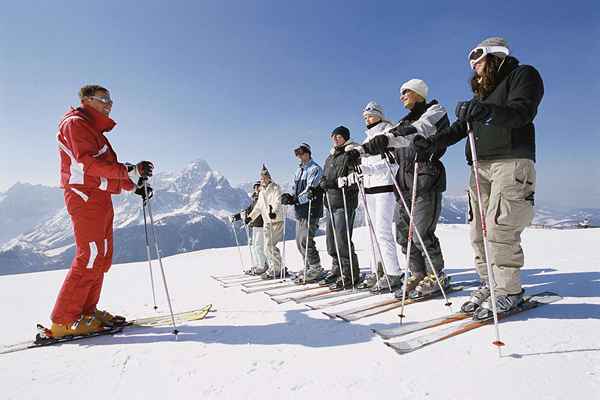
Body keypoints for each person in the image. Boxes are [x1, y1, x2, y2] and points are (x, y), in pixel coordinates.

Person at [413, 37, 544, 319]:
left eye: (478, 59)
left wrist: (485, 112)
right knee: (478, 231)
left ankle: (508, 291)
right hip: (479, 165)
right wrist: (433, 142)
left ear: (496, 56)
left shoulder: (522, 75)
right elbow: (461, 127)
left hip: (511, 160)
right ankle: (490, 283)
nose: (474, 66)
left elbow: (522, 112)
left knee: (500, 228)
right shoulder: (482, 96)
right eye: (471, 62)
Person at [50, 84, 153, 338]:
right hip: (83, 196)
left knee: (102, 256)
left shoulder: (95, 131)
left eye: (110, 100)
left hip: (99, 196)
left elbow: (108, 166)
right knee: (90, 254)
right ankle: (64, 321)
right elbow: (87, 163)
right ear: (87, 100)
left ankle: (85, 311)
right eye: (103, 99)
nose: (109, 104)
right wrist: (127, 173)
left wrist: (133, 185)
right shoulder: (75, 124)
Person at [362, 79, 450, 298]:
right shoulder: (402, 122)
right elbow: (389, 141)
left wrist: (389, 138)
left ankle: (436, 274)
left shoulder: (435, 111)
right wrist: (362, 151)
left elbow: (419, 129)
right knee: (403, 234)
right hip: (404, 181)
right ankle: (418, 272)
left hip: (426, 176)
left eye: (406, 92)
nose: (402, 96)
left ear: (419, 93)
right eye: (400, 93)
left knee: (421, 232)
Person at [354, 102, 404, 293]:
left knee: (383, 231)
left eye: (371, 115)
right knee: (373, 233)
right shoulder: (366, 138)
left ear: (380, 116)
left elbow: (392, 164)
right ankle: (378, 270)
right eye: (365, 116)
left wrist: (367, 168)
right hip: (369, 189)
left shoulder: (387, 133)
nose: (367, 118)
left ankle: (393, 273)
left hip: (384, 187)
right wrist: (360, 171)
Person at [318, 126, 361, 289]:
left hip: (344, 202)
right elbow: (325, 176)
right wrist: (323, 182)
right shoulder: (330, 158)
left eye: (339, 136)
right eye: (333, 136)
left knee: (342, 239)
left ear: (345, 137)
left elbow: (355, 178)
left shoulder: (351, 154)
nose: (336, 138)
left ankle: (350, 273)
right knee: (331, 240)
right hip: (330, 203)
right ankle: (337, 269)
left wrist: (335, 183)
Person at [280, 143, 324, 283]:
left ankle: (316, 267)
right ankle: (308, 266)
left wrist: (295, 199)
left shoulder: (315, 169)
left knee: (306, 240)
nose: (299, 155)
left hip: (311, 208)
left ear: (308, 153)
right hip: (300, 210)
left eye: (302, 152)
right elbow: (295, 189)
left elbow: (310, 189)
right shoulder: (298, 171)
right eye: (297, 153)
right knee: (299, 241)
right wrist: (290, 196)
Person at [247, 165, 285, 279]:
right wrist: (250, 217)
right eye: (261, 178)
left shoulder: (275, 188)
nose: (263, 180)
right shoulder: (262, 191)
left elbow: (278, 201)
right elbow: (258, 207)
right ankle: (275, 267)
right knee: (266, 247)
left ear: (269, 177)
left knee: (270, 245)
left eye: (265, 177)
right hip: (267, 222)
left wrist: (274, 211)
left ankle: (277, 269)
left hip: (276, 220)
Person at [232, 181, 268, 274]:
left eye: (258, 187)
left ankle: (263, 266)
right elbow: (247, 211)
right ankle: (258, 265)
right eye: (255, 187)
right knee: (255, 246)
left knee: (259, 246)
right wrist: (237, 217)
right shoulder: (255, 200)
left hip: (262, 225)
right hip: (255, 226)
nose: (256, 189)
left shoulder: (263, 198)